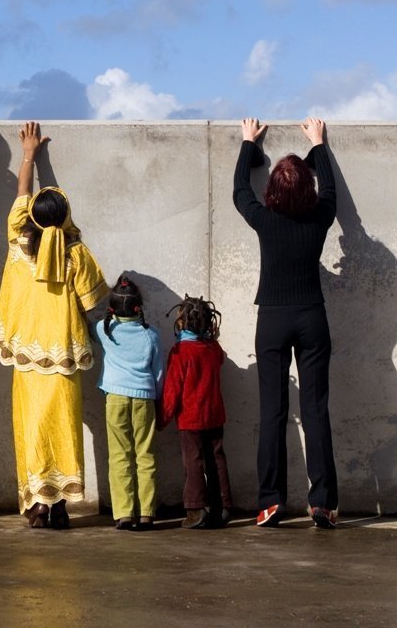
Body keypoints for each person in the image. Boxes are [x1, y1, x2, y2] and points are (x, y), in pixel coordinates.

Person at [0, 121, 109, 530]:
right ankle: (60, 507)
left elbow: (22, 195)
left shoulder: (17, 241)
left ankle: (37, 506)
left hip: (27, 359)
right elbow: (97, 307)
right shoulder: (77, 255)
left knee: (31, 429)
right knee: (63, 427)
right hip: (64, 358)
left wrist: (28, 155)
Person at [233, 116, 339, 529]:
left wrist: (247, 143)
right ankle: (324, 504)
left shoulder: (264, 220)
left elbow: (240, 191)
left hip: (272, 320)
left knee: (273, 412)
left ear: (273, 191)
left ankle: (270, 502)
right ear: (307, 190)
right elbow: (328, 189)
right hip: (313, 317)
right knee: (316, 412)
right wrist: (318, 144)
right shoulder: (320, 218)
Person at [95, 273, 162, 532]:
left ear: (112, 308)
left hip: (115, 400)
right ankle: (146, 513)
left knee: (119, 455)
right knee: (145, 456)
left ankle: (123, 513)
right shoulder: (152, 335)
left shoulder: (104, 330)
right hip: (145, 399)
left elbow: (86, 326)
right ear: (139, 307)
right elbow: (158, 373)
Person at [159, 295, 233, 529]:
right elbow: (219, 360)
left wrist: (162, 418)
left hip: (190, 418)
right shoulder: (213, 349)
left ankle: (195, 509)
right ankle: (222, 506)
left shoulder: (181, 351)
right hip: (214, 414)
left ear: (182, 322)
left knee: (193, 461)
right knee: (217, 459)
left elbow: (172, 389)